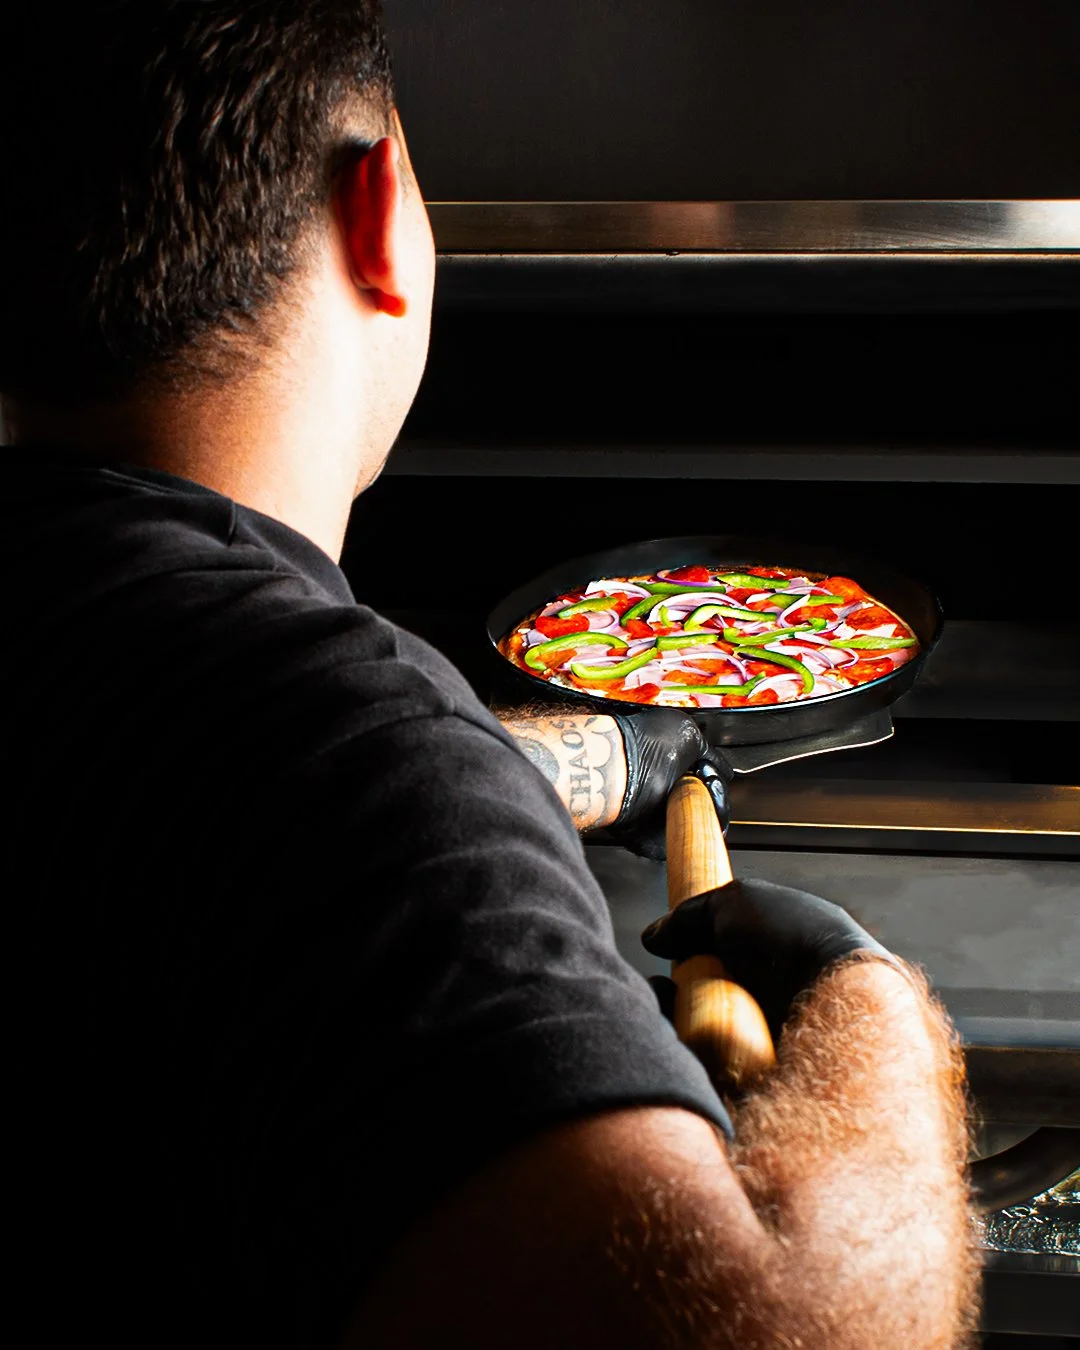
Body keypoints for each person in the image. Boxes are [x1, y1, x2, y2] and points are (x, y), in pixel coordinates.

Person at [0, 4, 978, 1347]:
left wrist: (614, 752)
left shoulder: (114, 652)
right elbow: (775, 1330)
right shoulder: (335, 741)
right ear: (377, 207)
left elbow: (190, 794)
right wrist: (880, 1017)